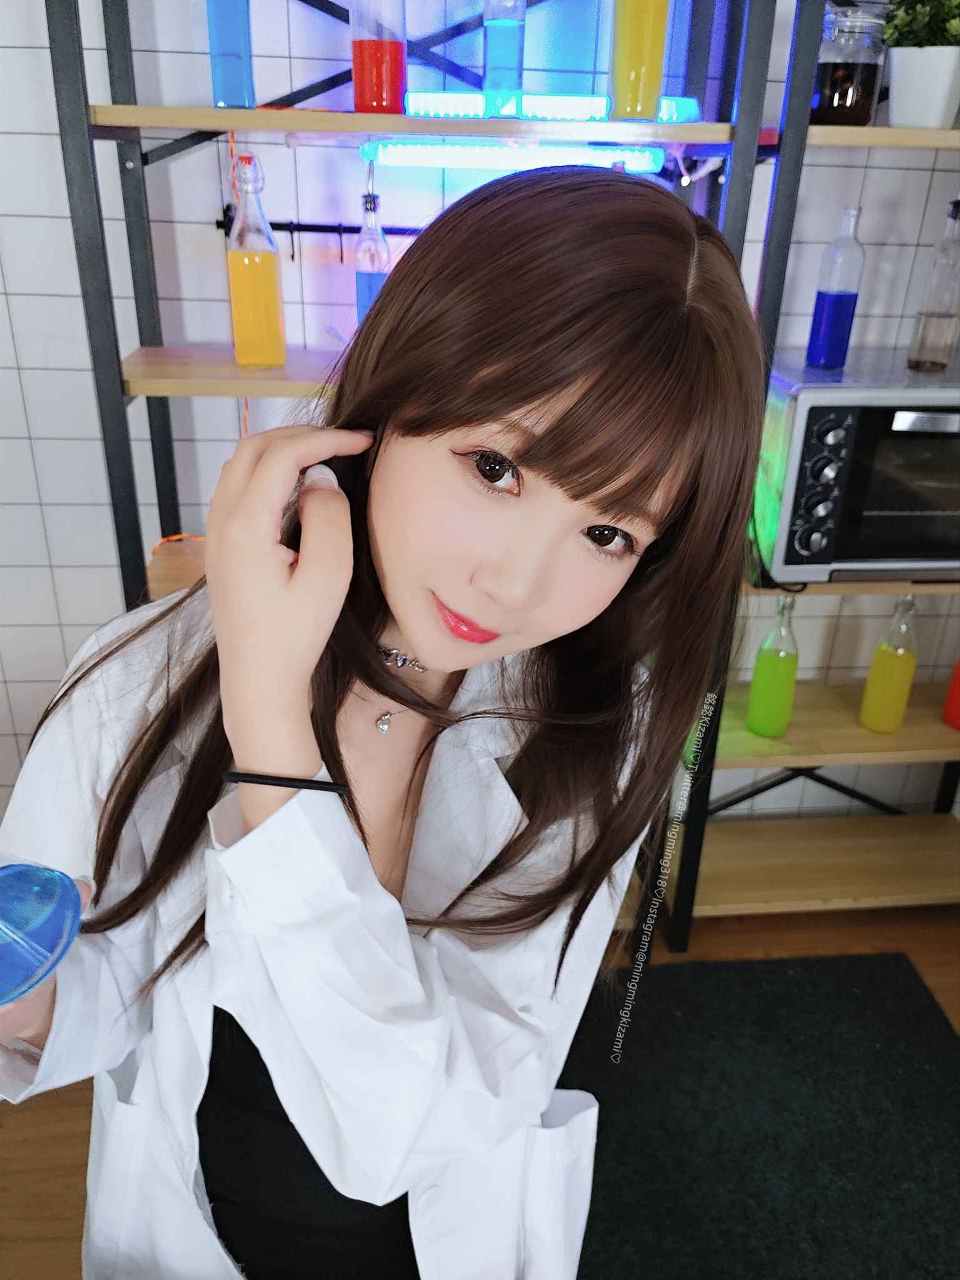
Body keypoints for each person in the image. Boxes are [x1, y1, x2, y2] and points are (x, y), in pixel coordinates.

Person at [0, 165, 765, 1279]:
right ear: (390, 399)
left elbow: (395, 1135)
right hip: (194, 1226)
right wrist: (30, 998)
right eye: (496, 467)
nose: (515, 583)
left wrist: (275, 733)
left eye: (608, 533)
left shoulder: (593, 733)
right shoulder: (143, 676)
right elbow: (106, 974)